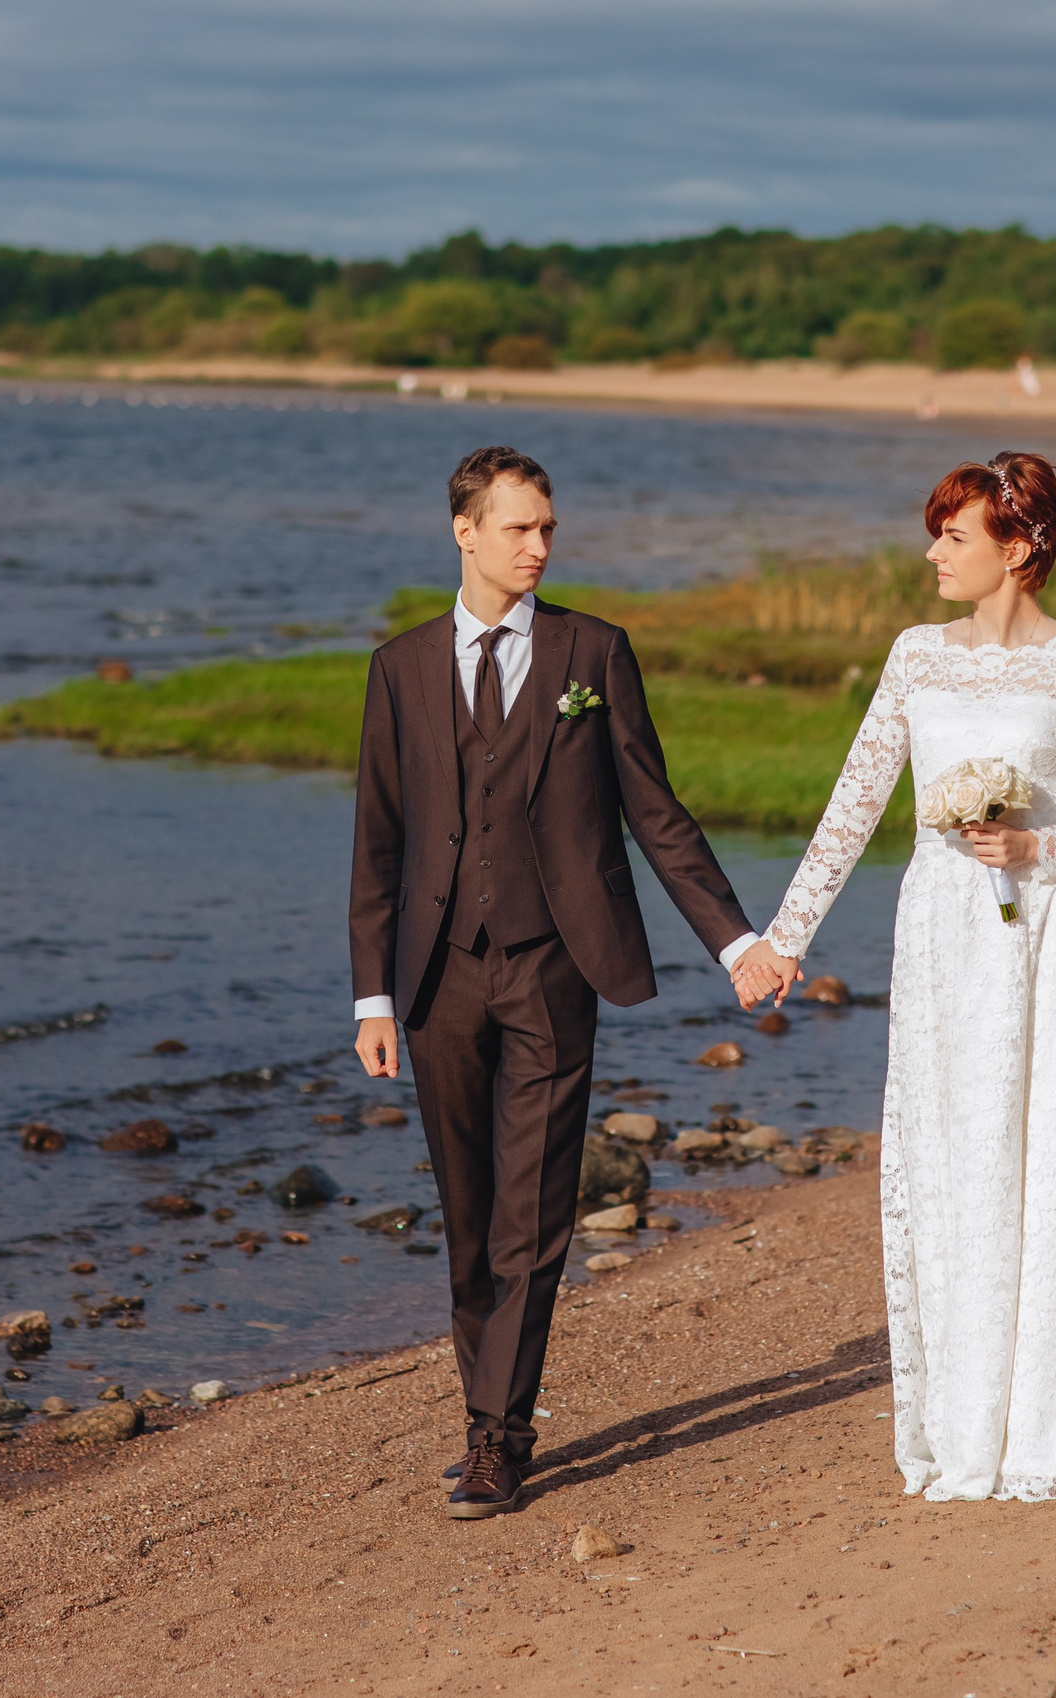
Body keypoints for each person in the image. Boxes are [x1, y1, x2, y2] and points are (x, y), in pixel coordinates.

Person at [729, 453, 1056, 1503]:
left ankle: (1051, 1417)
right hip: (941, 936)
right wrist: (785, 936)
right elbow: (855, 802)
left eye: (953, 536)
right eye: (935, 533)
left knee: (1050, 1152)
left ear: (1020, 545)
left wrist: (1044, 847)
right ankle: (965, 1420)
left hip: (1045, 931)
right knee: (952, 1160)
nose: (931, 555)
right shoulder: (916, 657)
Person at [350, 446, 781, 1519]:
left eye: (547, 527)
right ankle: (483, 1415)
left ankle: (498, 1438)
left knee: (532, 1215)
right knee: (466, 1218)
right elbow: (378, 843)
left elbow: (655, 812)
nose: (539, 546)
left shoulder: (594, 651)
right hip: (436, 975)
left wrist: (735, 940)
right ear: (464, 532)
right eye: (519, 528)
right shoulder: (400, 668)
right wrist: (371, 996)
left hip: (554, 967)